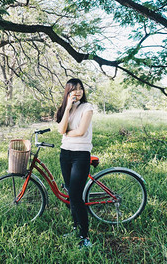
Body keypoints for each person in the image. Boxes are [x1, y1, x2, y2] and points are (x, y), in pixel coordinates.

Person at [56, 78, 94, 248]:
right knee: (71, 195)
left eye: (80, 88)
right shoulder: (66, 108)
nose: (78, 92)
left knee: (77, 197)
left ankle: (85, 236)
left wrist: (66, 133)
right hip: (65, 154)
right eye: (74, 89)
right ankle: (75, 227)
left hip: (81, 155)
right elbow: (60, 128)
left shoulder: (88, 107)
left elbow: (80, 132)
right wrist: (68, 109)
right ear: (68, 92)